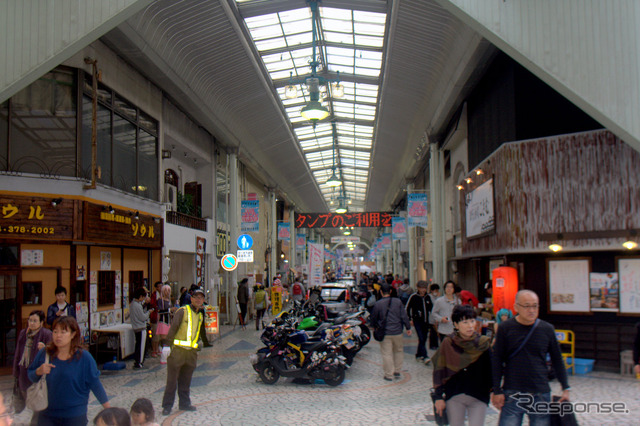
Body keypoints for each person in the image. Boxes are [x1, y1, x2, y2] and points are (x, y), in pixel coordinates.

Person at [491, 290, 570, 425]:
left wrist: (565, 388)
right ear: (516, 307)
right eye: (527, 306)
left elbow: (557, 359)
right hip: (512, 390)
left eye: (535, 306)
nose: (532, 310)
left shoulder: (547, 329)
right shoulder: (506, 328)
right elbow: (496, 360)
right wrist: (496, 390)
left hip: (540, 391)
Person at [28, 316, 110, 425]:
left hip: (74, 416)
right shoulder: (45, 353)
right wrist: (39, 371)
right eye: (55, 331)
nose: (58, 336)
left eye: (63, 332)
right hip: (47, 414)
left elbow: (95, 384)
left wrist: (109, 410)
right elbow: (30, 375)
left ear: (72, 334)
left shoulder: (84, 358)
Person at [432, 304, 492, 426]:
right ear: (456, 325)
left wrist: (495, 390)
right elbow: (439, 370)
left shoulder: (483, 344)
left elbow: (492, 370)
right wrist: (438, 397)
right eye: (465, 322)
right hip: (454, 395)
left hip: (479, 396)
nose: (470, 326)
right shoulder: (448, 343)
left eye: (472, 321)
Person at [161, 287, 205, 416]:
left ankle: (184, 403)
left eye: (201, 298)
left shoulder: (200, 314)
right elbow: (173, 328)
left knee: (186, 380)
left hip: (191, 353)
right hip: (177, 351)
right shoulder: (182, 311)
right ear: (191, 298)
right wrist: (167, 346)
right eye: (196, 297)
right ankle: (167, 405)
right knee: (172, 381)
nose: (198, 300)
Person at [13, 310, 52, 424]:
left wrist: (44, 348)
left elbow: (53, 352)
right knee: (28, 399)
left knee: (38, 405)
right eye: (30, 320)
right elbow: (18, 353)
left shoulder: (46, 334)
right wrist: (15, 372)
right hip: (24, 373)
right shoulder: (23, 333)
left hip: (38, 375)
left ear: (41, 322)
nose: (32, 323)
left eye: (35, 321)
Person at [370, 284, 412, 381]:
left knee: (387, 354)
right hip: (398, 331)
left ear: (381, 292)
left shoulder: (378, 304)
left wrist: (374, 327)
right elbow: (404, 316)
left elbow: (373, 318)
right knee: (398, 351)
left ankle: (389, 374)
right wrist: (408, 327)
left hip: (385, 333)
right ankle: (397, 370)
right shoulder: (398, 302)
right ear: (391, 291)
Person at [405, 280, 433, 364]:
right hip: (417, 321)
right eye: (421, 288)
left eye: (425, 288)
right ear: (418, 288)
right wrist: (410, 319)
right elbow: (407, 308)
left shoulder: (428, 297)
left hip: (426, 321)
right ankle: (425, 356)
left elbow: (431, 308)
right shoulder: (413, 296)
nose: (423, 290)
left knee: (423, 339)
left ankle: (418, 354)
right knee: (421, 338)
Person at [130, 287, 152, 369]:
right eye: (143, 297)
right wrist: (148, 313)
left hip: (136, 327)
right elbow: (143, 317)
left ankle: (138, 361)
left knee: (138, 345)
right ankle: (139, 362)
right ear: (140, 296)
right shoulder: (137, 306)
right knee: (141, 346)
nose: (144, 298)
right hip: (141, 328)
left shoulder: (133, 303)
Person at [155, 285, 174, 350]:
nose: (167, 292)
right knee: (164, 338)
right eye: (166, 290)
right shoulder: (160, 300)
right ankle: (163, 351)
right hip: (163, 321)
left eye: (169, 290)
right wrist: (170, 310)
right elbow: (159, 311)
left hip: (168, 321)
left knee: (168, 338)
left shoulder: (169, 300)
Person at [148, 281, 163, 357]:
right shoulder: (154, 295)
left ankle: (157, 349)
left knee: (159, 335)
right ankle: (154, 350)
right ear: (156, 287)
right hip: (155, 317)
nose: (161, 288)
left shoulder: (163, 295)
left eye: (161, 286)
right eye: (159, 286)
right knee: (155, 335)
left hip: (161, 317)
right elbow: (153, 305)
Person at [428, 283, 441, 350]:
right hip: (431, 317)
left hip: (438, 317)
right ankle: (432, 345)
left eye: (437, 290)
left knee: (436, 332)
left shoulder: (438, 297)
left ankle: (436, 344)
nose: (436, 292)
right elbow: (435, 305)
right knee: (433, 331)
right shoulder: (429, 297)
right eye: (435, 290)